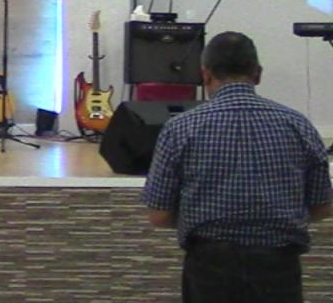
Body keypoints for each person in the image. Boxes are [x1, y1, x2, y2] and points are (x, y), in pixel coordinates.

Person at [142, 31, 331, 303]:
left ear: (205, 75)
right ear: (258, 74)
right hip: (278, 264)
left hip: (208, 265)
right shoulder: (297, 124)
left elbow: (159, 216)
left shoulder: (180, 128)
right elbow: (323, 206)